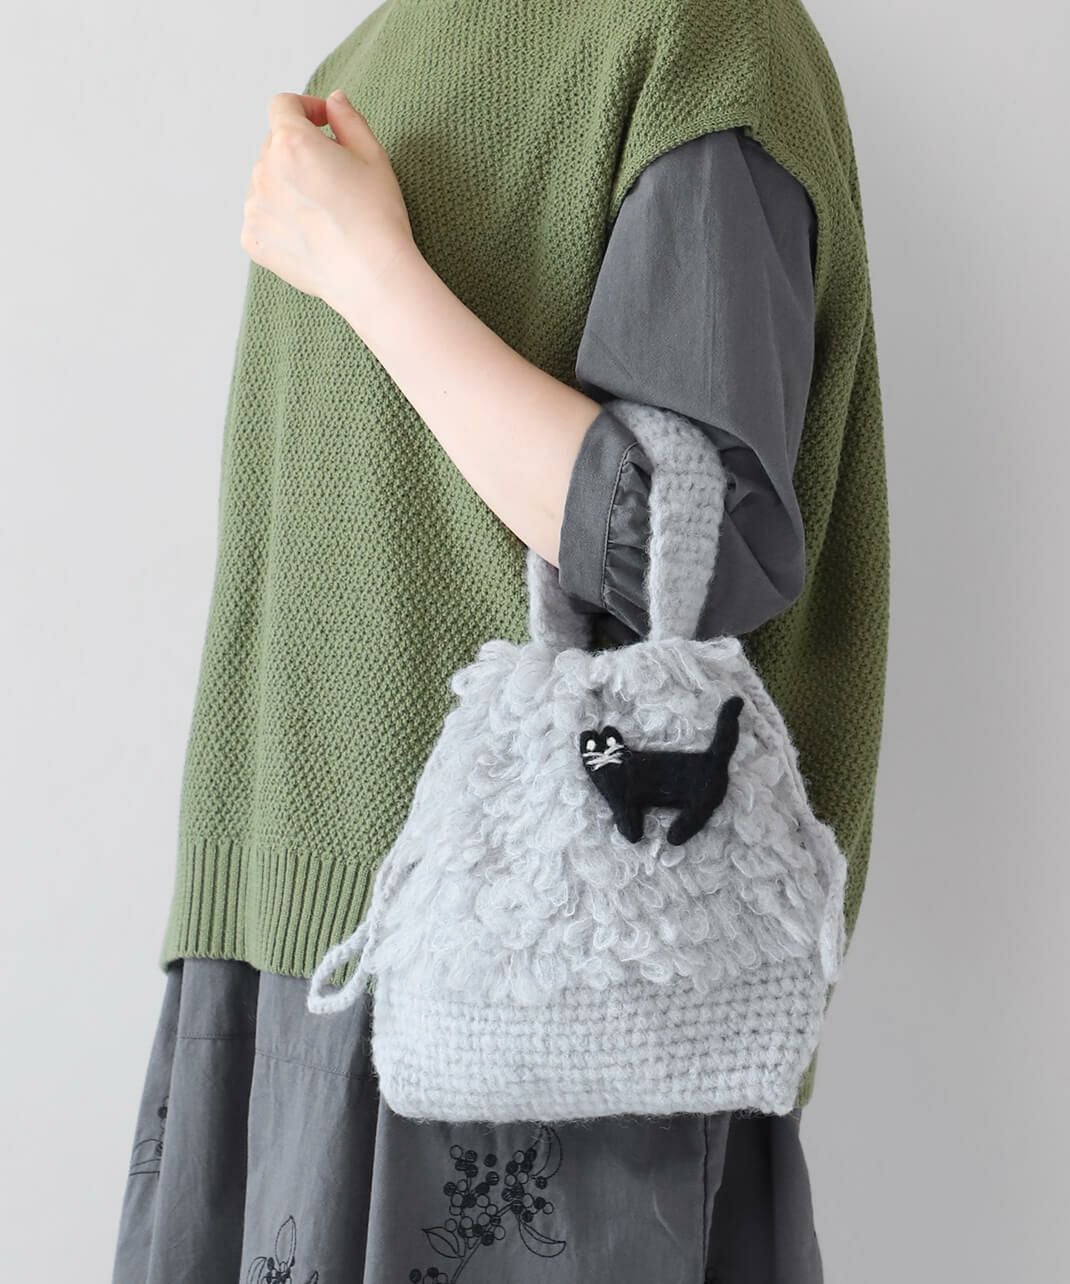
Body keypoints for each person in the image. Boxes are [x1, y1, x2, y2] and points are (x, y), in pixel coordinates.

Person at [111, 2, 889, 1280]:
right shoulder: (358, 60)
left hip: (540, 996)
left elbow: (694, 553)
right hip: (276, 975)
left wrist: (370, 269)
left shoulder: (695, 36)